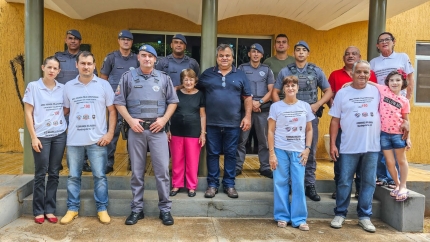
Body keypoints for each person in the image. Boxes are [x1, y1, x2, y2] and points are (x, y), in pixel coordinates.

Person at [114, 44, 178, 226]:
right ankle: (136, 209)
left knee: (162, 172)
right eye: (143, 55)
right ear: (138, 58)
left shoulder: (164, 78)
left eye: (150, 56)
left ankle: (165, 210)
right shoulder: (128, 77)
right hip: (137, 130)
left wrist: (164, 120)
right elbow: (119, 102)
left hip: (158, 131)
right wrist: (131, 120)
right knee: (137, 172)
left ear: (155, 59)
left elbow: (173, 102)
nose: (147, 58)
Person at [60, 51, 116, 225]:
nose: (86, 66)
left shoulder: (104, 85)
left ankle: (102, 209)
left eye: (89, 63)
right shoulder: (68, 86)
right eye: (82, 63)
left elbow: (113, 111)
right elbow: (64, 111)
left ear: (94, 65)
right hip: (75, 140)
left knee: (100, 176)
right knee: (73, 177)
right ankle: (72, 209)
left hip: (97, 140)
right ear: (77, 65)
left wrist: (109, 134)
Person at [272, 41, 333, 202]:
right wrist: (281, 108)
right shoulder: (286, 71)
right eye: (297, 50)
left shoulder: (316, 70)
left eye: (303, 50)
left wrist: (317, 104)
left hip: (308, 117)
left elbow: (328, 91)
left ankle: (310, 184)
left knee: (310, 151)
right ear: (294, 53)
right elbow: (275, 91)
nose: (300, 53)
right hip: (288, 119)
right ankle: (292, 184)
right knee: (289, 151)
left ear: (308, 53)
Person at [329, 60, 380, 233]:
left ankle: (364, 216)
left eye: (366, 72)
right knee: (344, 181)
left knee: (368, 182)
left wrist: (406, 122)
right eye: (359, 71)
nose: (362, 75)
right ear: (352, 73)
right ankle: (340, 213)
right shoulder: (343, 93)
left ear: (369, 74)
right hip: (348, 146)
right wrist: (332, 144)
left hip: (371, 146)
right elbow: (335, 120)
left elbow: (397, 102)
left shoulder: (377, 91)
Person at [198, 43, 252, 199]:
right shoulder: (207, 74)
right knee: (213, 154)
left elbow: (248, 97)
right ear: (217, 57)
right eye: (221, 55)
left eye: (227, 55)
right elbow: (197, 93)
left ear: (232, 57)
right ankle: (212, 185)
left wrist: (247, 116)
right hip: (212, 123)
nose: (224, 58)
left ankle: (229, 185)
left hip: (233, 123)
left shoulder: (240, 75)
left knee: (230, 154)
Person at [328, 46, 377, 199]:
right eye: (347, 54)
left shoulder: (372, 78)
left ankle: (359, 191)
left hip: (367, 133)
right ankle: (340, 190)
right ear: (344, 58)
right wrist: (336, 108)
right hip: (344, 127)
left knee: (365, 167)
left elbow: (380, 90)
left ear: (359, 56)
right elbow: (330, 94)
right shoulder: (335, 75)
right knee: (341, 164)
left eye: (353, 54)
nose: (350, 56)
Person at [23, 56, 67, 224]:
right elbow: (28, 112)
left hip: (59, 135)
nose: (52, 71)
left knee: (54, 173)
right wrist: (34, 137)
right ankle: (38, 210)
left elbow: (66, 108)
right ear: (43, 67)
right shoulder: (34, 87)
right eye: (49, 67)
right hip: (41, 136)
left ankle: (50, 209)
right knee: (41, 173)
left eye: (55, 68)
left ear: (59, 71)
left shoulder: (62, 88)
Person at [268, 75, 313, 231]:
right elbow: (270, 131)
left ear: (297, 88)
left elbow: (309, 129)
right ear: (284, 89)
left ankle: (299, 218)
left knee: (299, 184)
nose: (290, 88)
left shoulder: (305, 106)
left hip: (298, 151)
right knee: (280, 182)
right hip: (280, 149)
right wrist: (272, 153)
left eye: (293, 85)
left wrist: (307, 148)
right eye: (287, 86)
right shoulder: (276, 107)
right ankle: (282, 216)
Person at [370, 32, 415, 189]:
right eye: (381, 41)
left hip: (398, 107)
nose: (384, 43)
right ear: (377, 45)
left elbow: (410, 80)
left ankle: (397, 183)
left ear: (393, 42)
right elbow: (370, 83)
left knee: (398, 148)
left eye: (387, 40)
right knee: (383, 148)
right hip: (382, 105)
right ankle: (383, 177)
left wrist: (407, 99)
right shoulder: (373, 62)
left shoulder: (402, 57)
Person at [55, 29, 97, 172]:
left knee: (83, 131)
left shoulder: (85, 59)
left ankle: (83, 162)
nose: (73, 41)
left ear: (80, 41)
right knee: (59, 131)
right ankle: (56, 162)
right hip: (61, 102)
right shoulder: (58, 58)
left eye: (76, 39)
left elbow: (93, 81)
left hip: (81, 102)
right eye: (70, 38)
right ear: (66, 40)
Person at [100, 30, 139, 174]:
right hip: (114, 103)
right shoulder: (111, 58)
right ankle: (108, 162)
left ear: (132, 42)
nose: (126, 41)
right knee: (113, 132)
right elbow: (103, 79)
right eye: (123, 39)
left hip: (132, 102)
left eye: (128, 39)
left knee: (133, 134)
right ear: (119, 41)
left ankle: (132, 161)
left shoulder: (136, 59)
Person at [370, 70, 411, 201]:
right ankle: (397, 184)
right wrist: (348, 84)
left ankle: (403, 186)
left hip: (398, 134)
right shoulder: (383, 90)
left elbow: (406, 120)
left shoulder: (404, 101)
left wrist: (408, 137)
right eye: (391, 80)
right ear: (387, 82)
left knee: (401, 160)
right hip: (384, 134)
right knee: (389, 162)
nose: (394, 82)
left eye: (398, 80)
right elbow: (369, 82)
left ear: (403, 82)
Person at [235, 43, 275, 178]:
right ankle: (237, 166)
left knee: (263, 139)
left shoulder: (267, 69)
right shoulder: (242, 68)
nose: (256, 54)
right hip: (246, 109)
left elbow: (271, 90)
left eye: (258, 52)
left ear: (262, 55)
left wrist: (260, 102)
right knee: (242, 139)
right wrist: (250, 104)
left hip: (262, 110)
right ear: (249, 54)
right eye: (253, 51)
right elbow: (238, 87)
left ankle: (264, 167)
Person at [167, 69, 206, 198]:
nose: (188, 82)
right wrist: (167, 129)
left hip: (194, 132)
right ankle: (176, 185)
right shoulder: (176, 93)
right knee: (177, 160)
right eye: (186, 79)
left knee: (192, 161)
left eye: (191, 79)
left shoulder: (200, 94)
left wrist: (203, 133)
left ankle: (191, 186)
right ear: (182, 81)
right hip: (176, 131)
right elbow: (169, 113)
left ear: (195, 81)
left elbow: (202, 116)